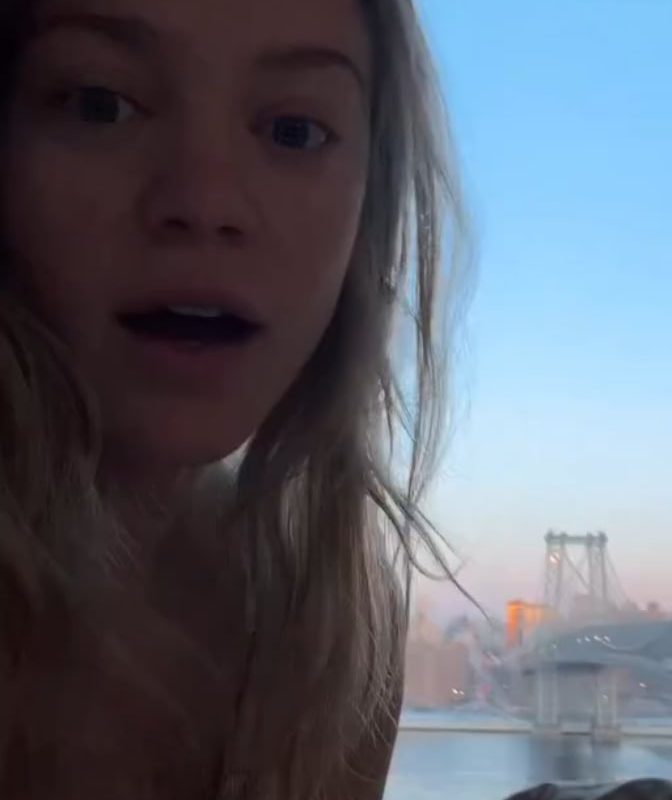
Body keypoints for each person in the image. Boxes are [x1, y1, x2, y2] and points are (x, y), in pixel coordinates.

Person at [0, 0, 461, 797]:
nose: (206, 202)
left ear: (368, 204)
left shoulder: (331, 633)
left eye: (294, 132)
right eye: (100, 105)